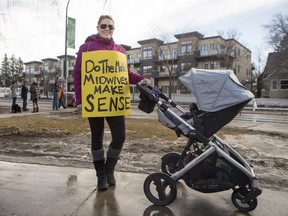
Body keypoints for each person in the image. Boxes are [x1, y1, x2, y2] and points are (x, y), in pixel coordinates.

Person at [74, 15, 151, 191]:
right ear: (97, 27)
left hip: (114, 100)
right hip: (94, 100)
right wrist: (79, 100)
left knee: (120, 136)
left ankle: (109, 170)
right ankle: (100, 175)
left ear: (113, 29)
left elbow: (126, 74)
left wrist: (141, 79)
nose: (107, 28)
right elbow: (78, 75)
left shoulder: (120, 50)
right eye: (103, 25)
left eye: (110, 26)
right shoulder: (86, 48)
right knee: (97, 138)